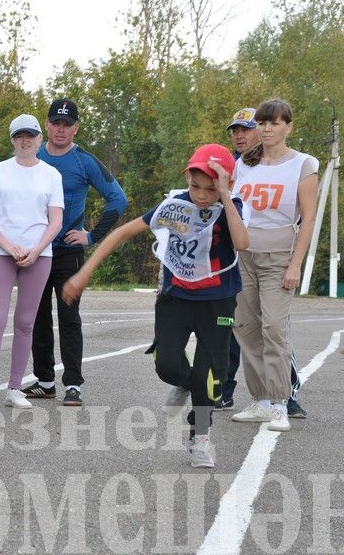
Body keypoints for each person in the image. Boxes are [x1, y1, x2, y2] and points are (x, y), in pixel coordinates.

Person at [63, 144, 249, 469]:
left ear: (227, 184)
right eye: (195, 187)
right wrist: (83, 274)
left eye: (211, 189)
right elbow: (121, 232)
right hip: (176, 297)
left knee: (210, 375)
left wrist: (224, 195)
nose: (202, 196)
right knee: (167, 365)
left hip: (217, 300)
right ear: (186, 179)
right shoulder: (173, 205)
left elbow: (243, 243)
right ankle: (184, 381)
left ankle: (200, 436)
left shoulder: (231, 207)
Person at [20, 99, 127, 406]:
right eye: (55, 123)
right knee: (36, 317)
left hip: (68, 252)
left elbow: (117, 200)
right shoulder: (32, 157)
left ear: (76, 127)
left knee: (69, 317)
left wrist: (91, 235)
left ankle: (73, 384)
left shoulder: (84, 161)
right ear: (47, 125)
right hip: (35, 252)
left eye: (67, 124)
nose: (61, 129)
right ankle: (44, 381)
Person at [229, 99, 318, 432]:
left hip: (279, 257)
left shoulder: (303, 165)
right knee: (247, 329)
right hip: (244, 256)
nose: (267, 129)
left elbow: (308, 219)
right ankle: (261, 401)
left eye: (274, 123)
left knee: (274, 329)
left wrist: (296, 264)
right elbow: (234, 210)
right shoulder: (244, 165)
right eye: (262, 123)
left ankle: (280, 403)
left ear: (288, 127)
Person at [0, 114, 64, 413]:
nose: (25, 140)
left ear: (40, 138)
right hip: (1, 254)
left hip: (38, 256)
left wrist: (37, 249)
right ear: (12, 140)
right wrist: (8, 245)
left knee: (25, 323)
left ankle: (14, 388)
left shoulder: (51, 174)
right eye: (19, 135)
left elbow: (56, 220)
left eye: (31, 135)